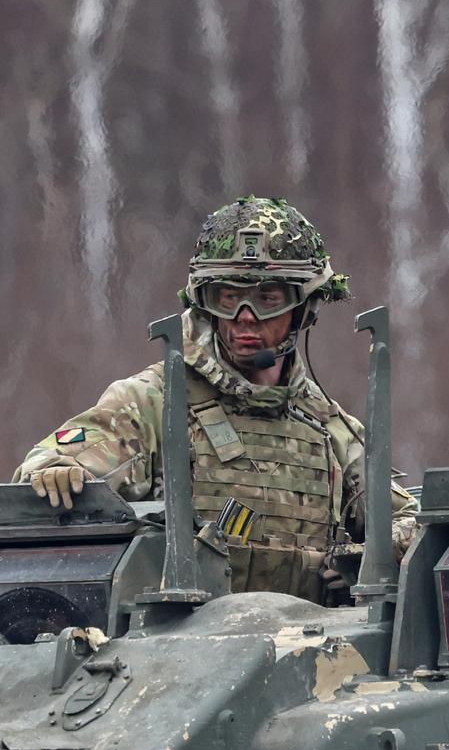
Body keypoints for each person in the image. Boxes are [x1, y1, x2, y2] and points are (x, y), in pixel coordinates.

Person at [14, 196, 416, 601]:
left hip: (306, 650)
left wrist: (372, 554)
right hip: (181, 648)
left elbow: (408, 519)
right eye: (228, 297)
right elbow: (44, 474)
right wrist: (54, 472)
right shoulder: (155, 403)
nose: (245, 316)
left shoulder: (328, 427)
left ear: (303, 309)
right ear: (206, 303)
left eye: (267, 299)